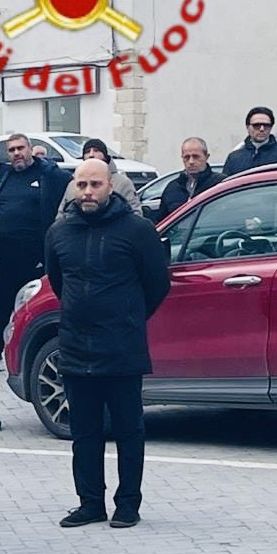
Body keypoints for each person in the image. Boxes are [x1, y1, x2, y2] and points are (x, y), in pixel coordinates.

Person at [45, 159, 170, 530]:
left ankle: (128, 503)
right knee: (84, 433)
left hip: (122, 347)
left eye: (95, 184)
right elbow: (58, 280)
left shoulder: (137, 231)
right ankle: (90, 503)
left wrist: (128, 317)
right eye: (81, 184)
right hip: (75, 348)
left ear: (110, 187)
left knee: (129, 431)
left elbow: (157, 284)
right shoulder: (59, 233)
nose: (87, 192)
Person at [0, 133, 69, 361]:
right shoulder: (3, 178)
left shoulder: (49, 176)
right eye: (11, 150)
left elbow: (67, 200)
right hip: (4, 258)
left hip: (36, 260)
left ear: (30, 149)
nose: (16, 153)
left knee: (31, 309)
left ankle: (28, 354)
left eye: (20, 148)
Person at [57, 139, 139, 215]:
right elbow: (62, 213)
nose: (91, 155)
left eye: (96, 150)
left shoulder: (122, 182)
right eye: (87, 151)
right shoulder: (72, 184)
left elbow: (135, 212)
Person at [154, 138, 222, 222]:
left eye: (196, 156)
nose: (191, 161)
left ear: (206, 157)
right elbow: (162, 221)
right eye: (186, 157)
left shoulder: (219, 184)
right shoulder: (172, 188)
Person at [222, 106, 277, 176]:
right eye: (256, 125)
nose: (262, 129)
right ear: (248, 127)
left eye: (266, 125)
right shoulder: (234, 158)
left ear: (271, 127)